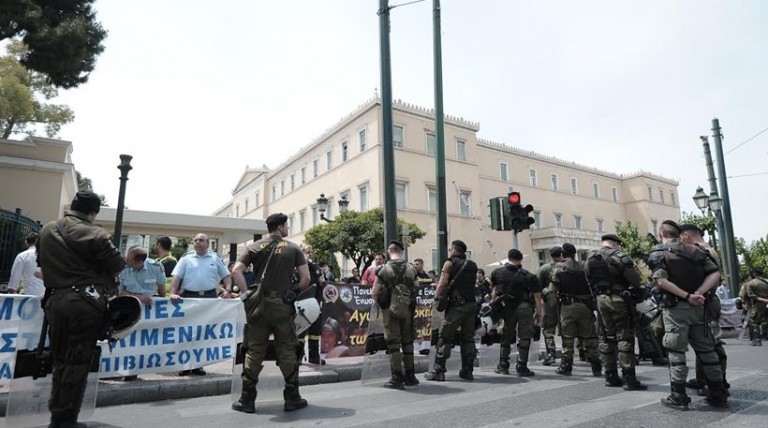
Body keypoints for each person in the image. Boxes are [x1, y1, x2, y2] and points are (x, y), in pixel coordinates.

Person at [36, 191, 126, 428]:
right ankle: (64, 420)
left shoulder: (47, 230)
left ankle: (58, 415)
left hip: (54, 301)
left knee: (60, 359)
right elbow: (118, 265)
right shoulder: (95, 233)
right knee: (76, 363)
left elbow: (42, 264)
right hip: (83, 304)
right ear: (93, 212)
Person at [231, 213, 310, 414]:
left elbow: (236, 271)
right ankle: (292, 396)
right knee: (287, 348)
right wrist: (293, 293)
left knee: (254, 349)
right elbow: (305, 278)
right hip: (282, 305)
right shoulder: (293, 248)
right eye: (287, 226)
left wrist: (247, 292)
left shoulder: (253, 247)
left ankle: (247, 399)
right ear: (281, 227)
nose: (288, 229)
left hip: (258, 304)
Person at [648, 220, 726, 410]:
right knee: (707, 351)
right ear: (679, 235)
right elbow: (715, 273)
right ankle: (718, 393)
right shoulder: (696, 251)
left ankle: (678, 396)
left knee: (676, 352)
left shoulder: (659, 253)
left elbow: (661, 281)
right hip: (700, 308)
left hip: (676, 309)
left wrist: (687, 296)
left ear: (661, 235)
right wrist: (699, 293)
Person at [586, 234, 646, 390]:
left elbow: (589, 282)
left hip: (600, 300)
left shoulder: (591, 259)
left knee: (606, 337)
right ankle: (629, 378)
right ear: (615, 243)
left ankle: (610, 375)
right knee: (624, 336)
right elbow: (636, 280)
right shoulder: (620, 256)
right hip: (618, 299)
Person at [679, 223, 730, 396]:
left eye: (680, 237)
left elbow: (711, 279)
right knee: (706, 342)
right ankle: (705, 378)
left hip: (705, 300)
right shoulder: (708, 249)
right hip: (708, 299)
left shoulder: (701, 251)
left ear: (686, 235)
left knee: (711, 343)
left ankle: (718, 380)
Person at [169, 233, 231, 375]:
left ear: (208, 244)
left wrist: (228, 290)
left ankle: (198, 365)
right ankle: (184, 365)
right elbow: (177, 277)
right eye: (196, 240)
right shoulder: (186, 259)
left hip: (209, 298)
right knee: (186, 333)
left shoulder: (215, 258)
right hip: (189, 298)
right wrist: (173, 292)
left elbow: (226, 276)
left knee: (202, 333)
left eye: (201, 240)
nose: (198, 242)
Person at [425, 240, 478, 381]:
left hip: (457, 306)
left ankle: (439, 371)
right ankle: (468, 370)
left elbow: (442, 282)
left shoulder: (450, 263)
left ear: (454, 250)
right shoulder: (473, 265)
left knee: (445, 337)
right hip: (471, 305)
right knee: (468, 338)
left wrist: (436, 297)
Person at [372, 240, 420, 389]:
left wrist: (380, 304)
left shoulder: (383, 269)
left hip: (390, 311)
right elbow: (416, 287)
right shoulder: (411, 268)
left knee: (393, 343)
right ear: (401, 252)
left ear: (388, 252)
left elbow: (375, 291)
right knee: (407, 341)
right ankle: (410, 376)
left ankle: (397, 378)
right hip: (407, 310)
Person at [490, 249, 543, 376]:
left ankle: (503, 365)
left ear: (507, 257)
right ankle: (522, 366)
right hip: (525, 307)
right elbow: (537, 296)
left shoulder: (497, 273)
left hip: (508, 307)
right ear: (521, 259)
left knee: (506, 334)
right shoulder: (529, 276)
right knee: (525, 336)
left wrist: (495, 308)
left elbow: (495, 291)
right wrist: (539, 313)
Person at [551, 243, 601, 377]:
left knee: (567, 338)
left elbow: (552, 291)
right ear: (574, 253)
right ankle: (596, 366)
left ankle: (566, 367)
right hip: (585, 306)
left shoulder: (559, 268)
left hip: (567, 307)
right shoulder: (585, 266)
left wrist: (558, 304)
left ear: (562, 254)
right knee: (590, 337)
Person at [119, 245, 166, 381]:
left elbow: (162, 291)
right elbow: (120, 292)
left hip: (150, 312)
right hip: (130, 309)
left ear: (139, 262)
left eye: (129, 260)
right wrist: (140, 298)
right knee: (130, 341)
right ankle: (128, 371)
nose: (126, 261)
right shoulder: (123, 269)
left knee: (147, 341)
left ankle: (142, 368)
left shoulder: (155, 267)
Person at [298, 244, 326, 365]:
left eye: (311, 252)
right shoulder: (296, 268)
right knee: (300, 333)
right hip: (302, 305)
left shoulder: (316, 268)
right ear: (302, 253)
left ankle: (314, 357)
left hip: (315, 304)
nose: (310, 254)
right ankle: (298, 357)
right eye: (307, 252)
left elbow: (322, 284)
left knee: (315, 333)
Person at [536, 245, 564, 366]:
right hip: (567, 301)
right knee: (567, 329)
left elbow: (537, 286)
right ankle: (571, 355)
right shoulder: (567, 266)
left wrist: (544, 295)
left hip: (550, 302)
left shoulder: (544, 268)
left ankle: (551, 354)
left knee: (548, 329)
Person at [743, 268, 768, 346]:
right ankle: (765, 335)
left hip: (758, 304)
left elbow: (751, 296)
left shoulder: (751, 283)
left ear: (754, 274)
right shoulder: (766, 281)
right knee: (766, 320)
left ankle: (757, 340)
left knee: (754, 322)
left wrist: (764, 300)